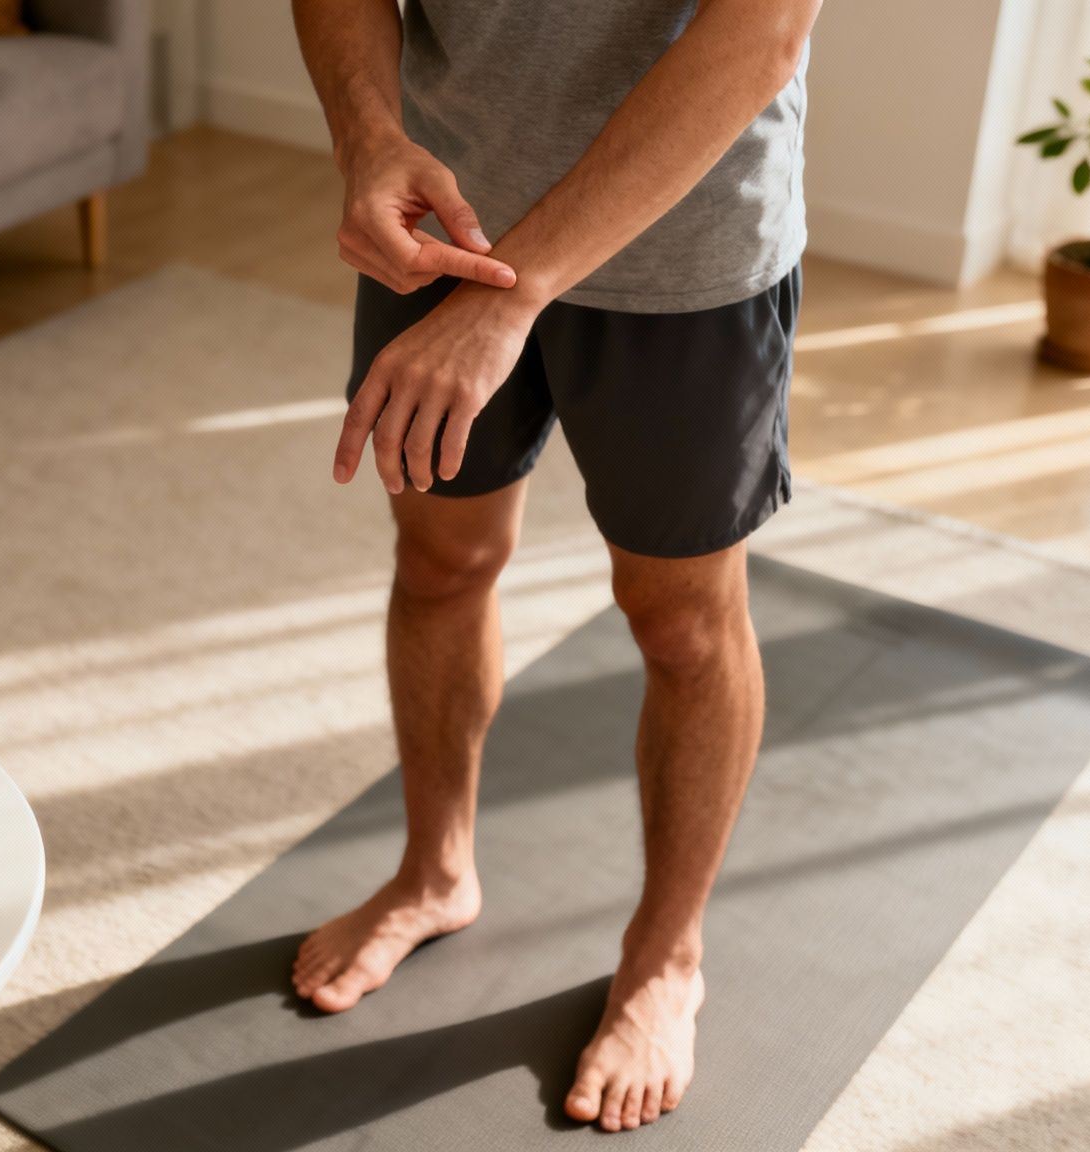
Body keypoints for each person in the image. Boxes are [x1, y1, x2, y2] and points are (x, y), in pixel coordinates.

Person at [288, 0, 822, 1134]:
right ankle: (434, 872)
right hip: (441, 218)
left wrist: (519, 293)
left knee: (679, 620)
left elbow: (758, 32)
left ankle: (665, 957)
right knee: (439, 558)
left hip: (682, 252)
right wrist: (368, 137)